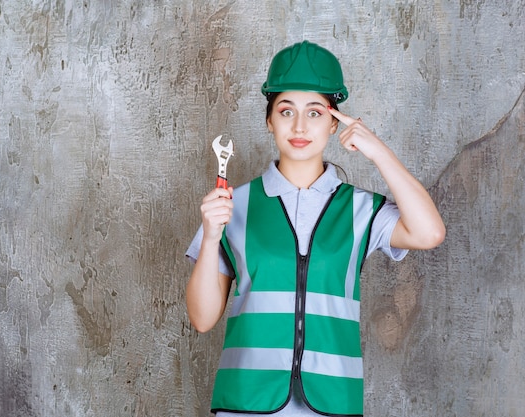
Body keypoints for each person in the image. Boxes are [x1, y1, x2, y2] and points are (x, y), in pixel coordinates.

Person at [185, 40, 445, 417]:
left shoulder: (361, 209)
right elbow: (202, 318)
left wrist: (378, 151)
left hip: (333, 402)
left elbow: (429, 233)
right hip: (246, 402)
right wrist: (211, 237)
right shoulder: (230, 205)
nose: (300, 126)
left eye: (316, 112)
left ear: (335, 121)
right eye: (286, 111)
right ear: (269, 120)